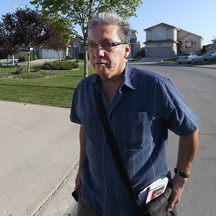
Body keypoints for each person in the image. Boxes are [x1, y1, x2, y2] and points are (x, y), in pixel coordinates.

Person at [70, 12, 199, 216]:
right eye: (92, 45)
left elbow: (190, 129)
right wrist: (79, 174)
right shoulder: (83, 89)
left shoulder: (156, 87)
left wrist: (182, 177)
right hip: (92, 203)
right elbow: (86, 128)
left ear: (126, 49)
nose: (98, 52)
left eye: (107, 44)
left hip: (141, 208)